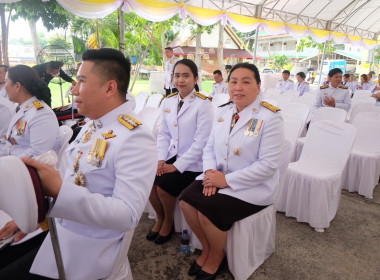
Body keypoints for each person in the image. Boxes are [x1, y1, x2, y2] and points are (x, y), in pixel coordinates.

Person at [0, 48, 157, 280]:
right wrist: (34, 218)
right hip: (56, 230)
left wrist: (59, 190)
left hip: (86, 251)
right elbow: (71, 180)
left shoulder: (134, 137)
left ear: (110, 88)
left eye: (81, 81)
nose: (73, 89)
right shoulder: (92, 125)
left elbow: (127, 215)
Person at [179, 62, 284, 279]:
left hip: (252, 187)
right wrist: (209, 174)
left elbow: (268, 166)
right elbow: (209, 148)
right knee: (187, 201)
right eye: (234, 82)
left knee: (209, 211)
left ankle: (217, 256)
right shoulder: (224, 111)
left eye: (246, 82)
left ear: (258, 85)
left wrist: (225, 181)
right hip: (216, 175)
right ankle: (208, 248)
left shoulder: (270, 117)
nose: (238, 87)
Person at [147, 59, 213, 245]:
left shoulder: (203, 104)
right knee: (150, 178)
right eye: (177, 75)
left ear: (195, 79)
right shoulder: (168, 102)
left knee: (164, 185)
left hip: (195, 163)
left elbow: (202, 143)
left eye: (186, 75)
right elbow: (163, 134)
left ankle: (168, 221)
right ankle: (160, 217)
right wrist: (161, 159)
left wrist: (176, 166)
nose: (180, 80)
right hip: (173, 155)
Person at [0, 65, 59, 158]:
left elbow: (37, 155)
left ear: (17, 86)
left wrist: (9, 162)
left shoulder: (41, 114)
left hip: (25, 169)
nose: (4, 87)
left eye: (6, 82)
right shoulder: (21, 107)